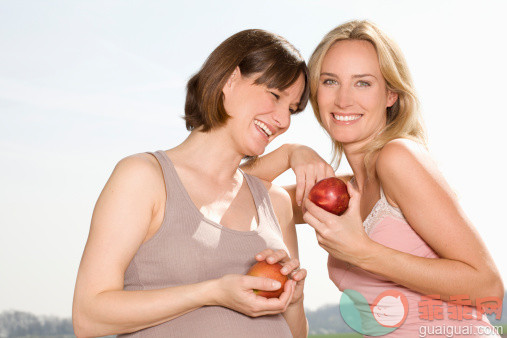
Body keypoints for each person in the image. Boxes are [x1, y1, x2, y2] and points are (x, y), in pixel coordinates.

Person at [242, 20, 504, 336]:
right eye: (330, 81)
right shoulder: (339, 192)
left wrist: (364, 252)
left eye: (363, 83)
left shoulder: (398, 158)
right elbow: (229, 191)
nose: (343, 100)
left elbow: (489, 288)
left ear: (391, 94)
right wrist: (289, 152)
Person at [72, 29, 310, 338]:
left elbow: (293, 332)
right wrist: (211, 293)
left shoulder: (273, 201)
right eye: (276, 95)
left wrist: (294, 299)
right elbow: (89, 318)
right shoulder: (144, 178)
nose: (284, 120)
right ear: (231, 79)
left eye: (292, 109)